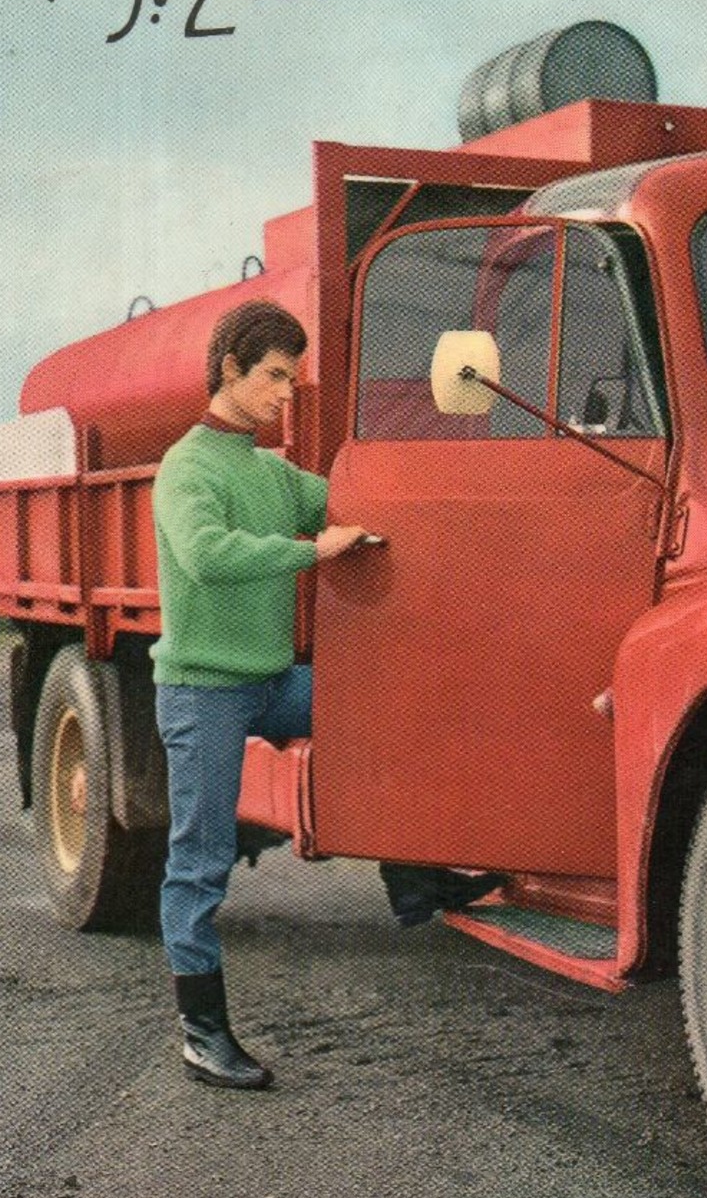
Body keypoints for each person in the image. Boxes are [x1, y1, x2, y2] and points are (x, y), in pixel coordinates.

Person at [151, 299, 500, 1091]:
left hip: (271, 681)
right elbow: (208, 556)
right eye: (275, 376)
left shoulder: (271, 472)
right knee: (199, 861)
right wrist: (315, 549)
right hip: (204, 689)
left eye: (292, 378)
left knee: (387, 708)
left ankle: (412, 879)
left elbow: (357, 502)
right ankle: (202, 1034)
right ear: (231, 370)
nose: (286, 393)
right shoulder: (187, 467)